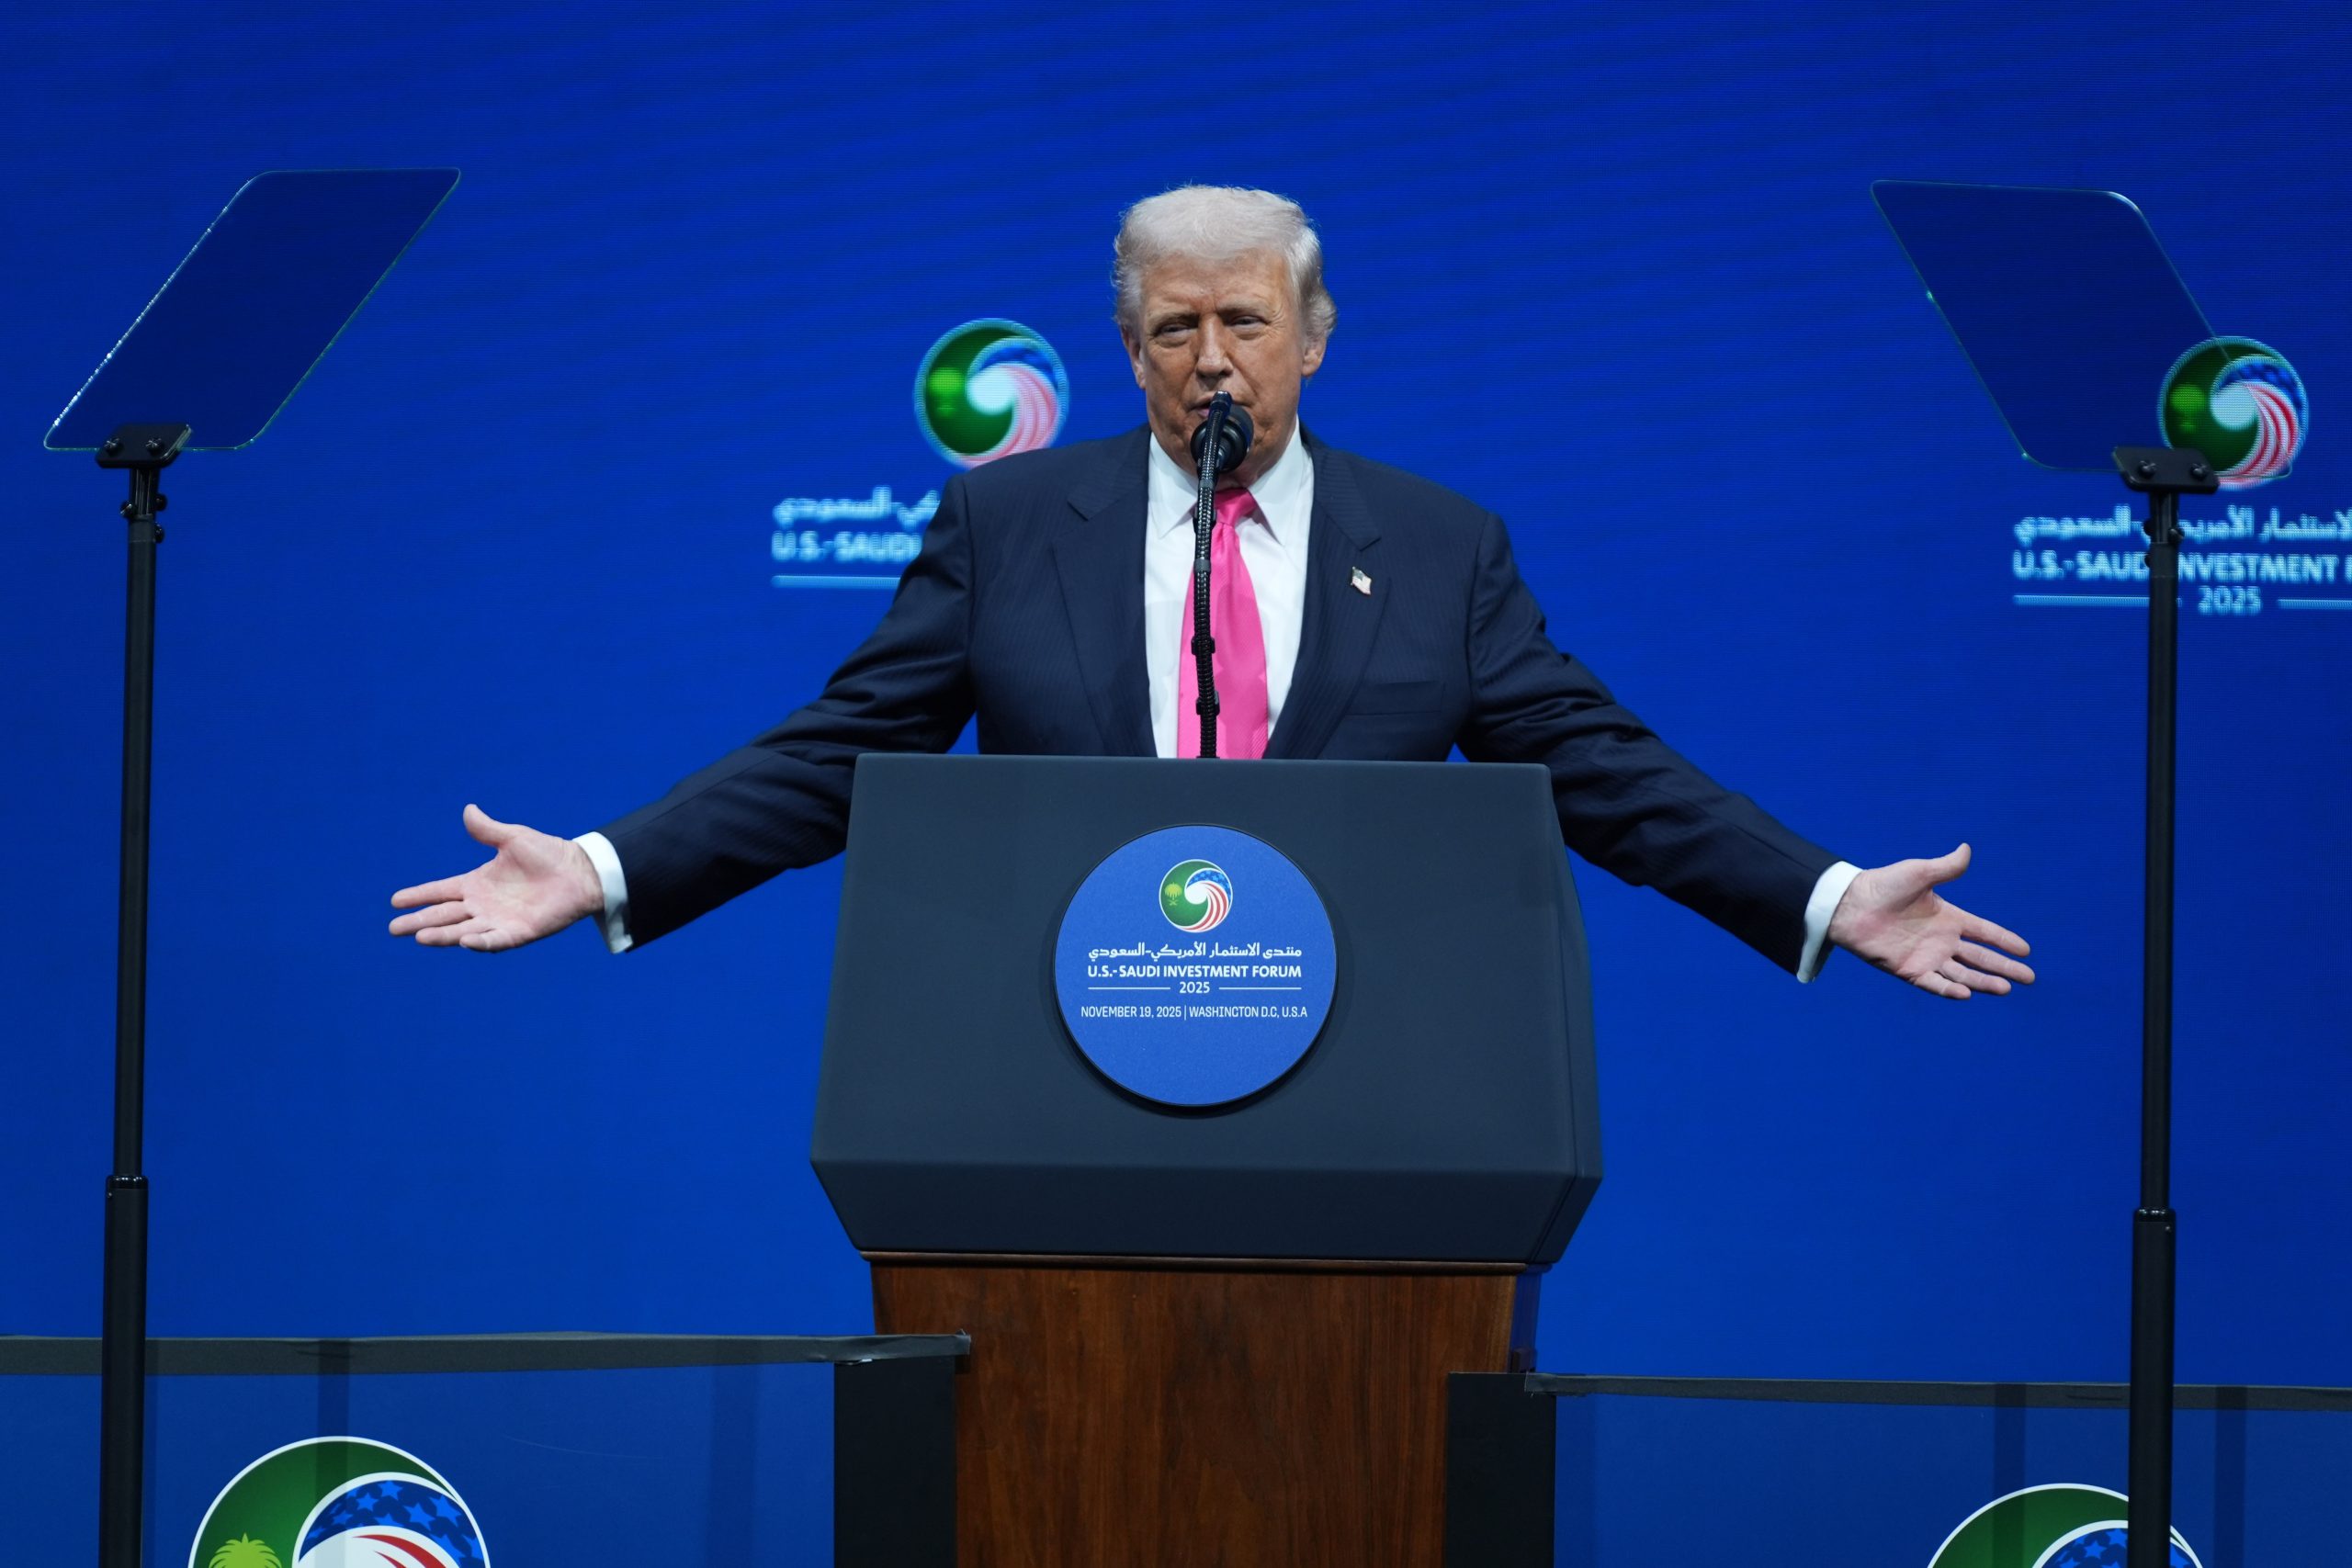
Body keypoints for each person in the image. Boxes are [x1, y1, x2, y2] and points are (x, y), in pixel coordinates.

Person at [391, 186, 2032, 1001]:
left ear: (1312, 340)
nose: (1212, 358)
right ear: (1129, 351)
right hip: (1058, 1038)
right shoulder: (1012, 520)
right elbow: (840, 752)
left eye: (1246, 322)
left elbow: (1599, 768)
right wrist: (604, 868)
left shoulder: (1443, 543)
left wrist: (1821, 896)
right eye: (1175, 329)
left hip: (1353, 1048)